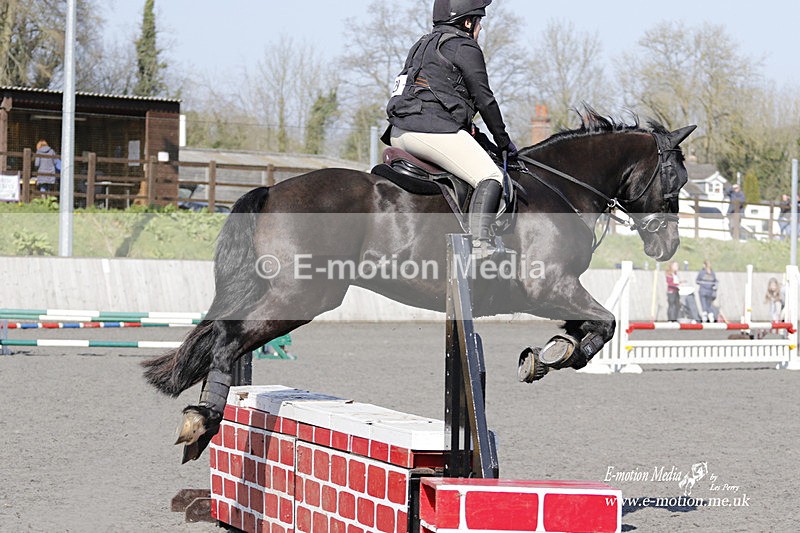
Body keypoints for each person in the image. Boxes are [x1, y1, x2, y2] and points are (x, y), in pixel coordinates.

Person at [383, 0, 517, 257]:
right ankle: (479, 246)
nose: (480, 28)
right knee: (491, 176)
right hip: (430, 133)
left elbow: (435, 95)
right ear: (467, 22)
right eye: (479, 21)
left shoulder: (421, 45)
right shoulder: (464, 46)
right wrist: (503, 142)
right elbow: (485, 100)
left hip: (398, 133)